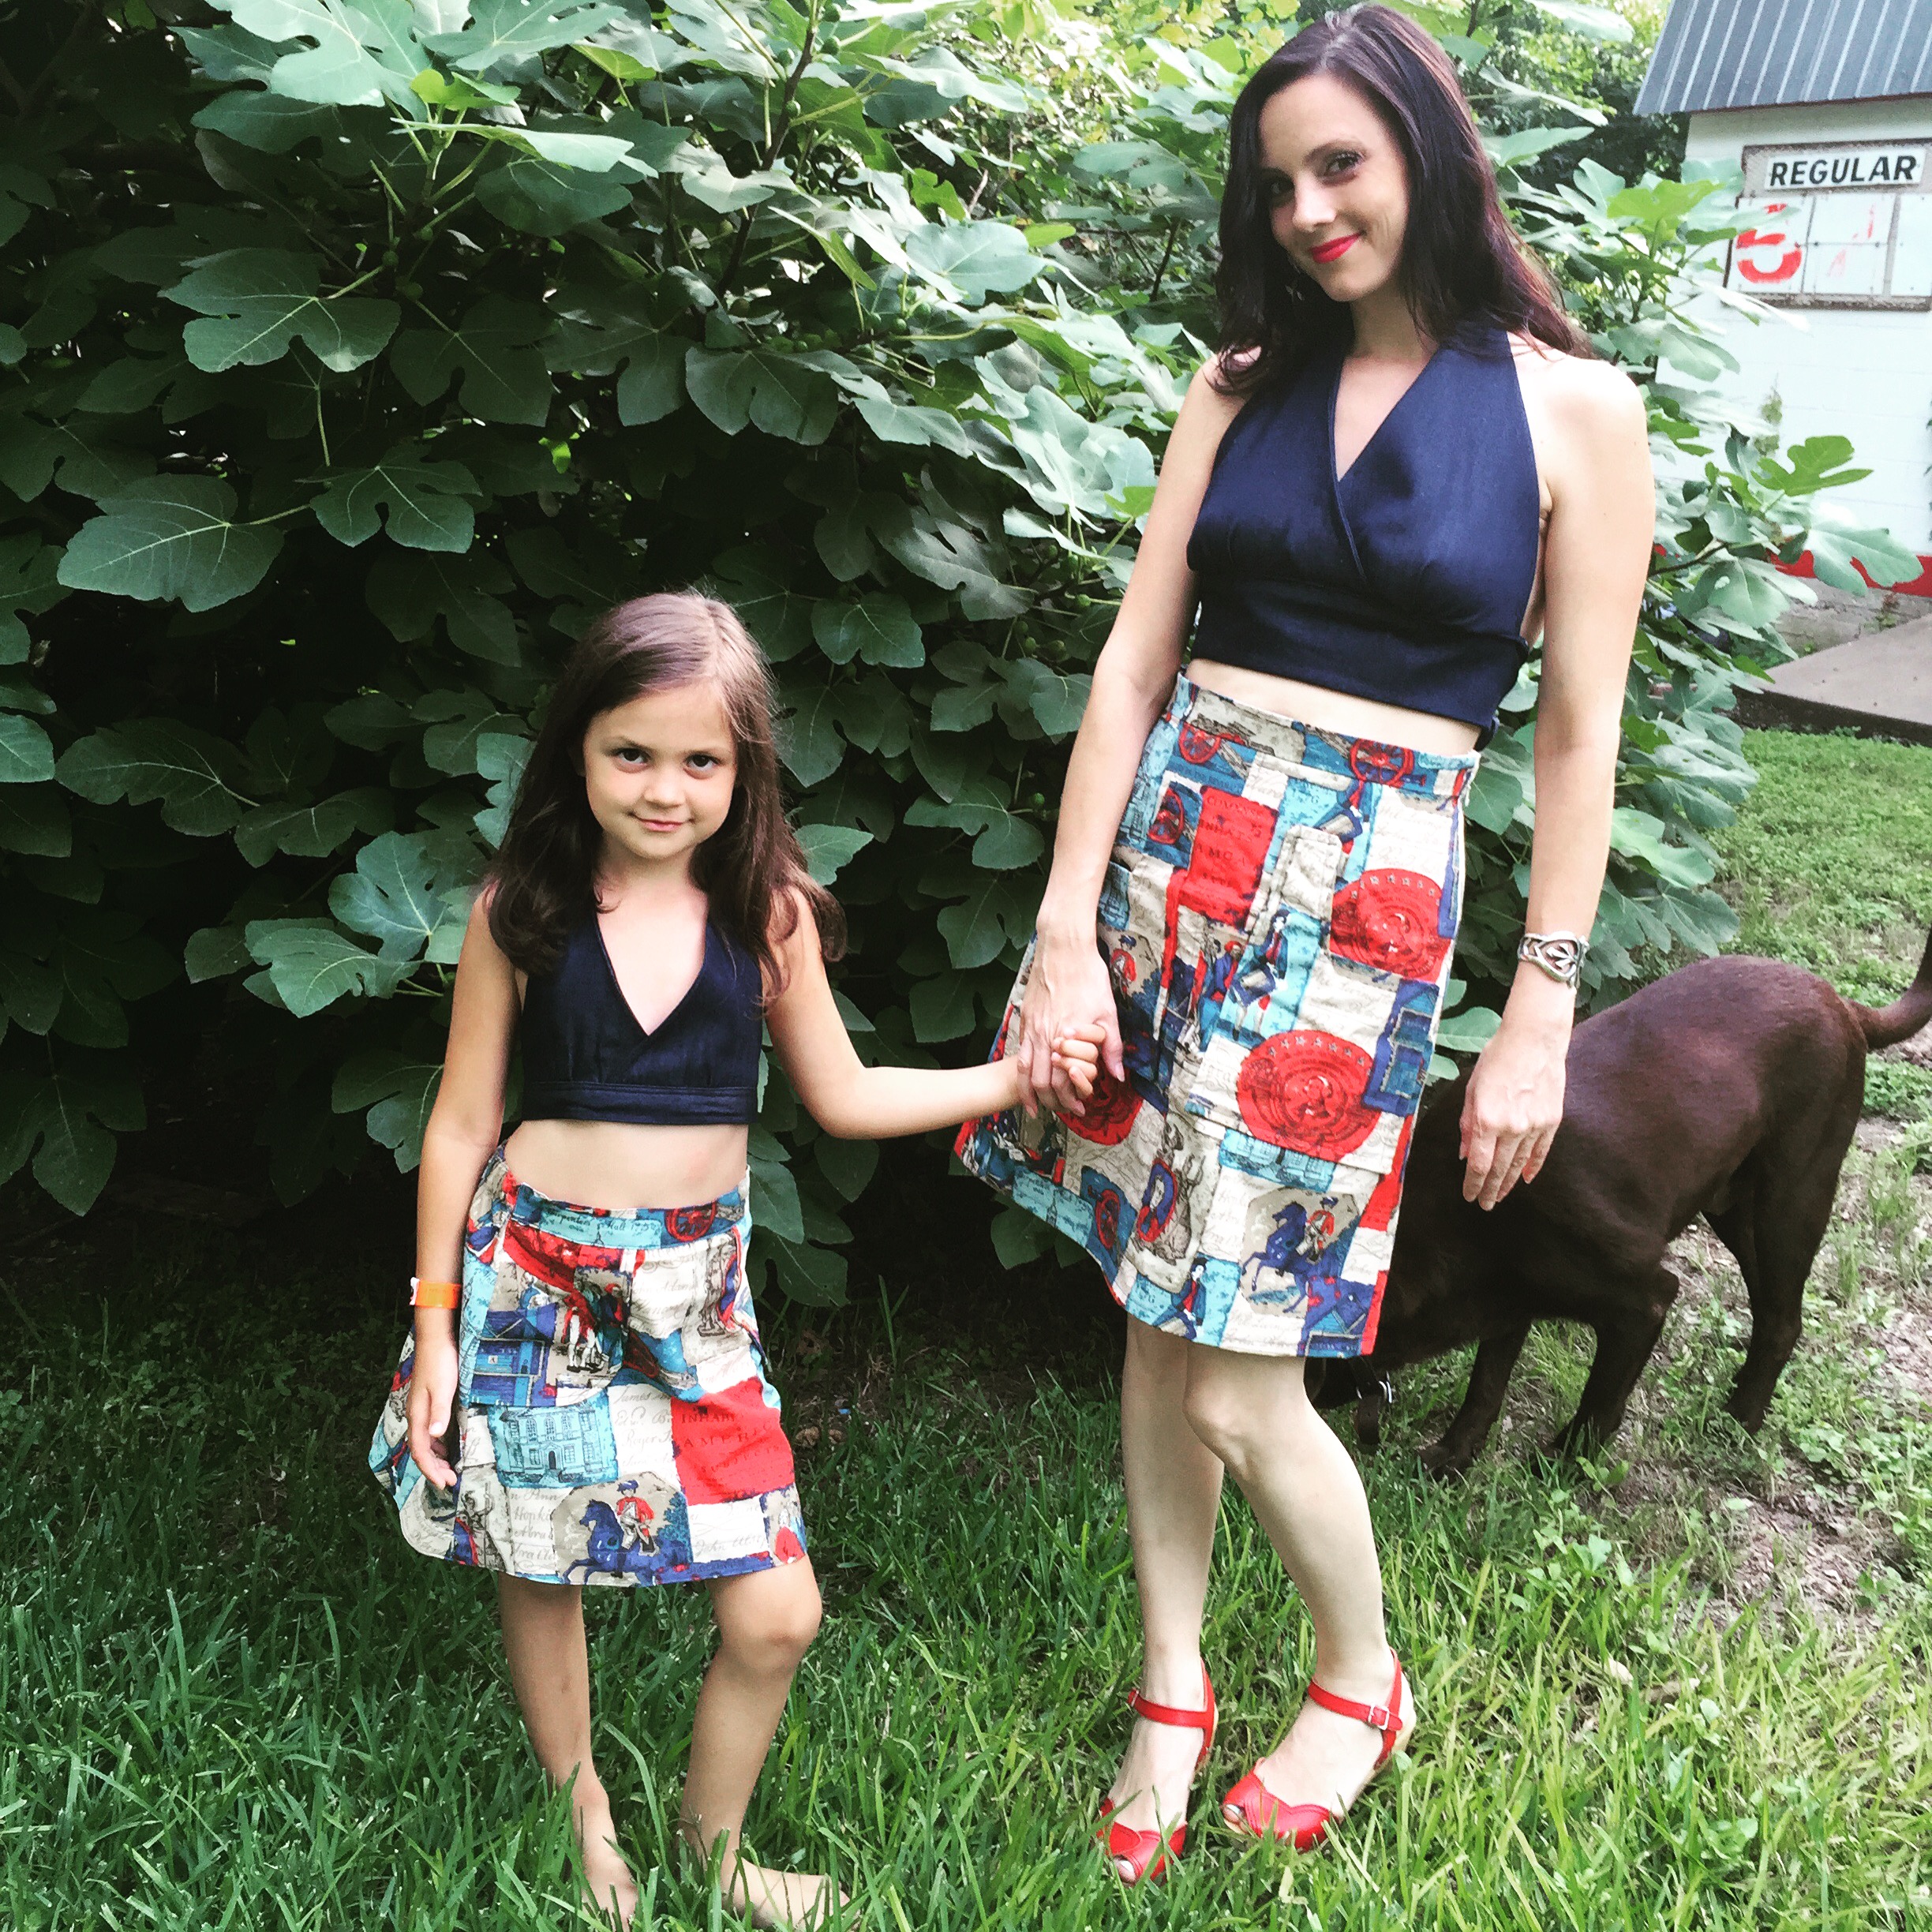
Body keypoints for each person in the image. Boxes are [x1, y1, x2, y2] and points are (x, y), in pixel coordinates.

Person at [954, 3, 1652, 1885]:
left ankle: (1360, 1678)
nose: (1309, 207)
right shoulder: (1240, 378)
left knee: (1240, 1363)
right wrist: (1063, 935)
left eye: (1340, 161)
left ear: (1427, 147)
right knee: (1153, 1294)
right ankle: (1174, 1679)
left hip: (1362, 903)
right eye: (1278, 182)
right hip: (1176, 857)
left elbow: (1581, 733)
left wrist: (1541, 1015)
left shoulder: (1575, 412)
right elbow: (1130, 660)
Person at [368, 593, 1099, 1928]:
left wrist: (1013, 1081)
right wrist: (437, 1323)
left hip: (697, 1297)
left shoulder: (765, 917)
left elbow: (844, 1093)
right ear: (575, 754)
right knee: (540, 1554)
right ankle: (577, 1806)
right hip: (533, 1274)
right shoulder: (519, 910)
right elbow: (462, 1120)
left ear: (745, 770)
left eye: (700, 762)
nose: (663, 788)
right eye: (630, 754)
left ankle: (713, 1847)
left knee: (777, 1614)